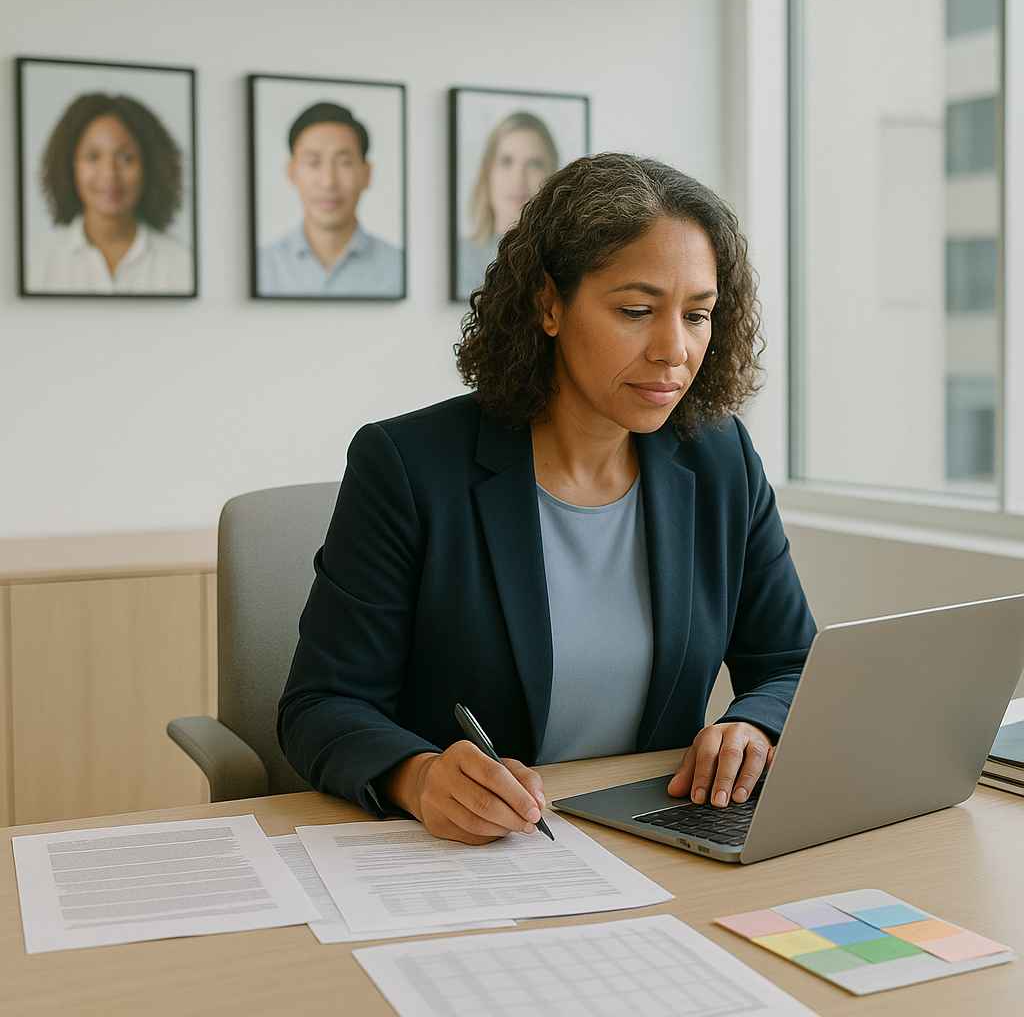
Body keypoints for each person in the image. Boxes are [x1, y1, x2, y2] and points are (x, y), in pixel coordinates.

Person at [279, 153, 817, 846]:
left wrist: (755, 724)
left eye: (698, 315)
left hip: (652, 839)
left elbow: (790, 662)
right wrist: (416, 776)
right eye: (636, 310)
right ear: (549, 305)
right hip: (463, 854)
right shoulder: (409, 466)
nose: (674, 349)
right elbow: (321, 703)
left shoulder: (721, 461)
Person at [30, 92, 192, 295]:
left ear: (150, 167)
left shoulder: (182, 264)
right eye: (93, 157)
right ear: (69, 166)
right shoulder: (35, 263)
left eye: (126, 158)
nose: (109, 174)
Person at [258, 102, 403, 298]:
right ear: (291, 172)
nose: (328, 182)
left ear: (367, 173)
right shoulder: (263, 267)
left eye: (345, 163)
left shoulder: (400, 267)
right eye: (313, 162)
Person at [456, 111, 558, 300]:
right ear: (488, 173)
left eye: (534, 164)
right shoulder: (459, 258)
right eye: (506, 162)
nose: (518, 178)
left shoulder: (567, 262)